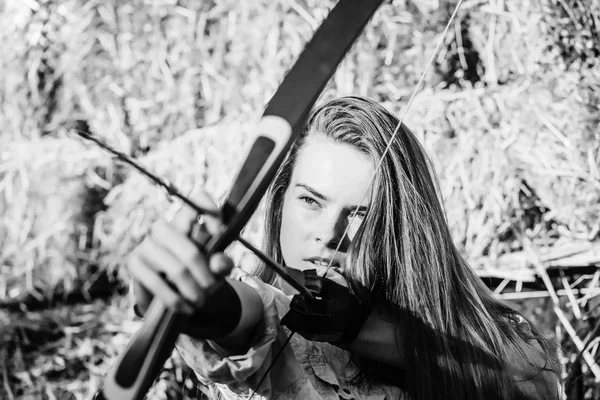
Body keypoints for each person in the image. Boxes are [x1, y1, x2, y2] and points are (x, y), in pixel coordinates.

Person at [128, 96, 561, 399]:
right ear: (280, 203)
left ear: (401, 229)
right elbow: (238, 312)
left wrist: (366, 331)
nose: (329, 232)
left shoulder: (463, 328)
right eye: (310, 201)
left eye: (359, 213)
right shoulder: (265, 318)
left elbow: (531, 374)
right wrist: (190, 295)